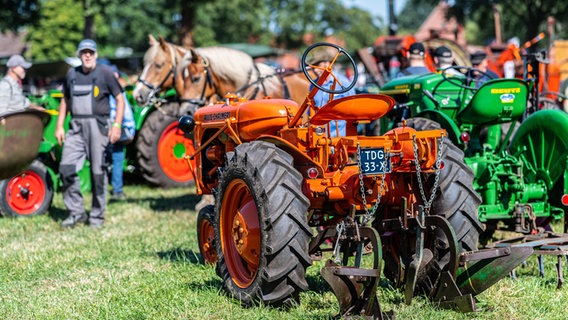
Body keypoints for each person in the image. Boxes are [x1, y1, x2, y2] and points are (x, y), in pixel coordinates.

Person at [55, 39, 125, 228]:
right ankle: (76, 212)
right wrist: (60, 125)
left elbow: (120, 98)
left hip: (98, 126)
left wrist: (117, 125)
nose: (87, 55)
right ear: (79, 55)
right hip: (76, 127)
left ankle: (96, 217)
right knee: (66, 168)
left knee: (97, 173)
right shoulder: (72, 74)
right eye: (84, 52)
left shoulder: (106, 73)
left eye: (90, 52)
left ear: (95, 54)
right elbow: (65, 100)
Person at [308, 48, 356, 137]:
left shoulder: (344, 84)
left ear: (328, 64)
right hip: (319, 137)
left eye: (318, 65)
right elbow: (311, 112)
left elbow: (353, 110)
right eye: (313, 66)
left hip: (340, 137)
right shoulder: (313, 85)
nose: (315, 70)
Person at [108, 65, 135, 201]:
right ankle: (116, 189)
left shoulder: (114, 91)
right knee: (116, 158)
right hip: (120, 128)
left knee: (116, 158)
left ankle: (116, 189)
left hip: (120, 128)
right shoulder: (116, 91)